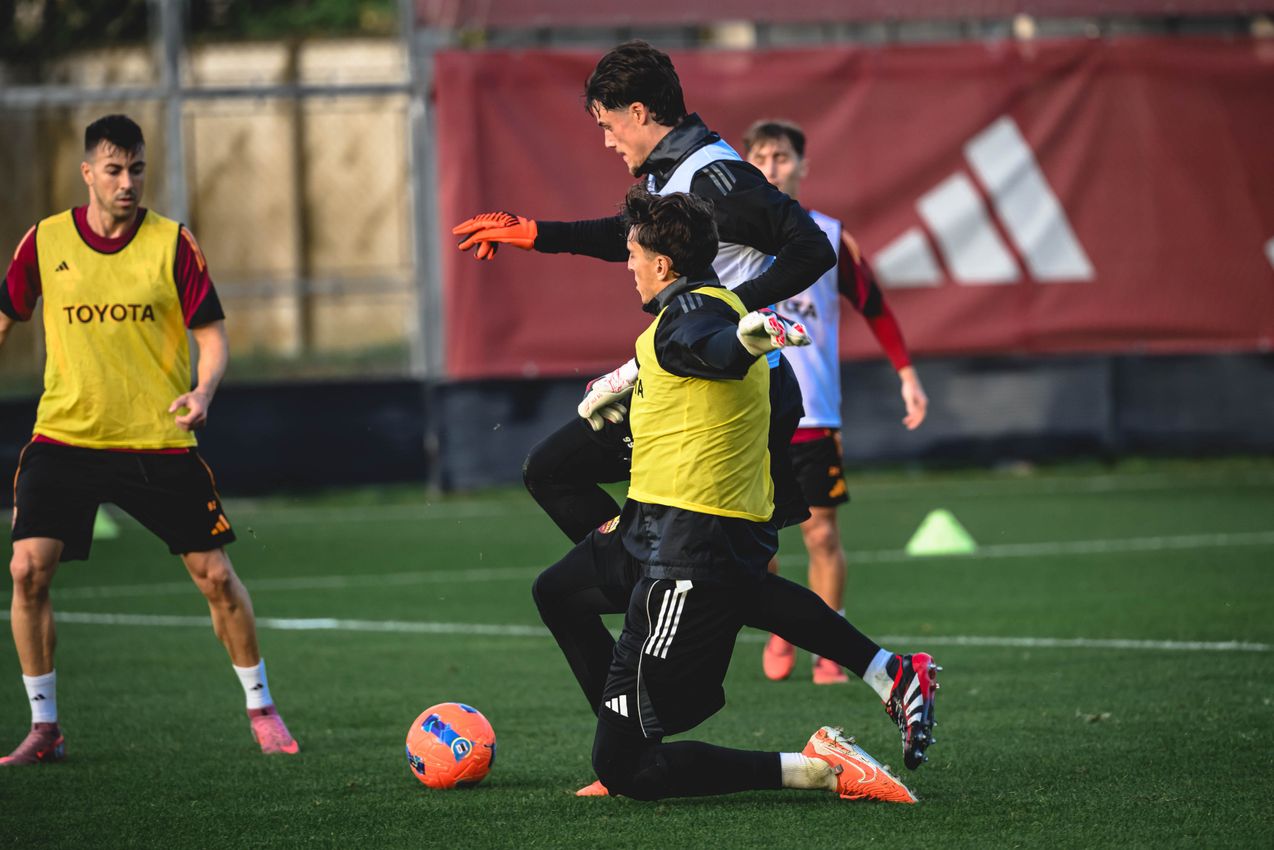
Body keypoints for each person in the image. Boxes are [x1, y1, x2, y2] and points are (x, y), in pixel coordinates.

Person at [453, 40, 939, 786]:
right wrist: (535, 234)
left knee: (686, 546)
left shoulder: (713, 173)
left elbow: (812, 247)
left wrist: (727, 317)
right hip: (696, 373)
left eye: (609, 124)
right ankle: (875, 669)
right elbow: (628, 241)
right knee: (676, 546)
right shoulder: (669, 175)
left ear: (641, 113)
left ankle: (644, 682)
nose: (605, 138)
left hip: (729, 380)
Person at [554, 185, 915, 803]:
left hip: (684, 551)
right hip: (663, 530)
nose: (629, 266)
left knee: (628, 768)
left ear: (663, 265)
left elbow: (710, 349)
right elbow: (739, 383)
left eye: (634, 255)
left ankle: (821, 767)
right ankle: (882, 674)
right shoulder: (705, 304)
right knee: (557, 591)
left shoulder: (693, 317)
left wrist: (748, 341)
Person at [0, 114, 297, 765]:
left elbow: (211, 335)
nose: (127, 181)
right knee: (26, 570)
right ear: (88, 173)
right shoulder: (46, 240)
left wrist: (204, 391)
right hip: (65, 437)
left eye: (136, 168)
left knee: (215, 577)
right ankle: (45, 727)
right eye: (113, 169)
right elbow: (6, 314)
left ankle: (261, 706)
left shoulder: (171, 243)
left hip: (157, 441)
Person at [741, 119, 929, 685]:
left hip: (814, 412)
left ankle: (831, 638)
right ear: (747, 164)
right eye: (761, 157)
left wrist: (907, 374)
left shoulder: (826, 234)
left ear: (802, 166)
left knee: (821, 534)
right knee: (757, 540)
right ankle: (784, 625)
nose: (771, 166)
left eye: (782, 157)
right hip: (751, 410)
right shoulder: (733, 236)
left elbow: (873, 304)